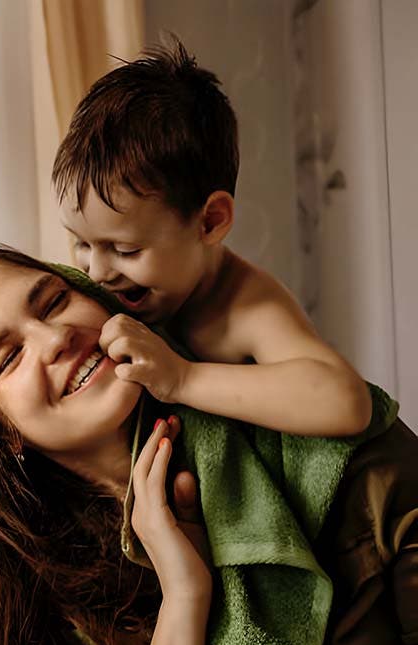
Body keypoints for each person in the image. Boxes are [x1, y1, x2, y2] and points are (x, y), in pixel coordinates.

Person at [0, 244, 418, 645]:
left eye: (52, 302)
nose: (56, 338)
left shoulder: (314, 440)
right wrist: (184, 595)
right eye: (9, 357)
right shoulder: (22, 613)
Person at [51, 39, 372, 438]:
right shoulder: (117, 293)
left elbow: (346, 403)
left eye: (125, 249)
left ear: (210, 222)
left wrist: (184, 378)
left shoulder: (248, 306)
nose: (97, 271)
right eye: (82, 244)